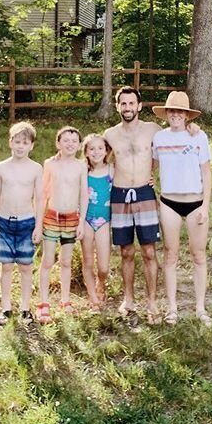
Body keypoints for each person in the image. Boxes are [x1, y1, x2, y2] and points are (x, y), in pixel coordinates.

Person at [152, 91, 212, 327]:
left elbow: (207, 173)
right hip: (169, 202)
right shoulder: (159, 138)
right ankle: (172, 308)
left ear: (187, 115)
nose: (176, 115)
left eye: (180, 111)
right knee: (170, 255)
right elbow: (152, 166)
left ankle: (200, 308)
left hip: (196, 202)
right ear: (166, 114)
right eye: (172, 111)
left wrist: (205, 206)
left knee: (198, 255)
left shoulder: (199, 137)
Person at [103, 86, 164, 324]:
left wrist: (152, 173)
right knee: (126, 251)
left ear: (139, 106)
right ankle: (128, 299)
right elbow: (97, 159)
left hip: (145, 194)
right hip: (119, 195)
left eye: (131, 103)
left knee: (149, 251)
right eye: (123, 104)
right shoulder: (110, 134)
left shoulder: (153, 130)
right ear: (117, 106)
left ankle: (152, 302)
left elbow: (170, 144)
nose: (127, 108)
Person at [0, 121, 44, 327]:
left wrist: (38, 226)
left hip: (26, 223)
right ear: (10, 142)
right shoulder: (1, 168)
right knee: (6, 266)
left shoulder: (36, 169)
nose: (21, 146)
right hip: (4, 222)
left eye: (25, 142)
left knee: (26, 267)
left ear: (32, 146)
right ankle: (5, 308)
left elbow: (39, 199)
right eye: (17, 141)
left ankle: (25, 308)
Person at [36, 126, 87, 323]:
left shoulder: (81, 166)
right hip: (51, 217)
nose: (70, 144)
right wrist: (38, 223)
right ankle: (44, 303)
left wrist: (81, 221)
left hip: (71, 218)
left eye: (74, 141)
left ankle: (65, 300)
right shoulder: (50, 164)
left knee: (66, 261)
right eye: (66, 140)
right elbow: (43, 195)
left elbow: (83, 194)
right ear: (58, 143)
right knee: (48, 260)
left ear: (79, 145)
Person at [81, 133, 113, 310]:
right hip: (86, 219)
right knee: (88, 261)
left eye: (100, 148)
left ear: (106, 150)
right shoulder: (82, 171)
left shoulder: (112, 170)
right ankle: (92, 296)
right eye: (91, 148)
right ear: (85, 152)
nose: (96, 152)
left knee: (103, 266)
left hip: (104, 220)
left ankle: (101, 283)